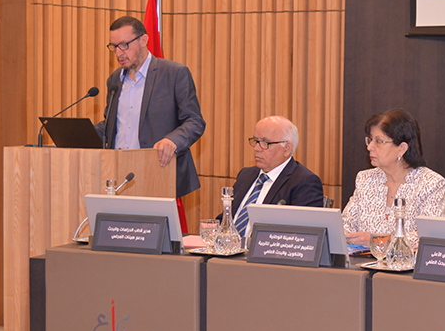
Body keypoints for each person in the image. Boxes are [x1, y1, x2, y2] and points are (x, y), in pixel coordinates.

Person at [95, 15, 205, 198]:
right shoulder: (115, 80)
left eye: (124, 45)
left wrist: (173, 141)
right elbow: (111, 126)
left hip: (158, 172)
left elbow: (195, 121)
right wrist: (73, 136)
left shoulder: (173, 74)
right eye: (114, 47)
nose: (119, 53)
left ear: (143, 40)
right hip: (118, 174)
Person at [342, 108, 445, 249]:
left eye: (379, 141)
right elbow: (345, 224)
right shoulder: (365, 179)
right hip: (364, 260)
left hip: (407, 262)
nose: (370, 147)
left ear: (401, 148)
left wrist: (378, 240)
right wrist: (349, 236)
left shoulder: (430, 183)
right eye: (370, 140)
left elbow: (430, 236)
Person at [223, 116, 325, 237]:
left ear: (287, 149)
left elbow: (302, 235)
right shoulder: (245, 175)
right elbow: (227, 219)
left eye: (265, 143)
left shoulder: (304, 182)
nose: (256, 148)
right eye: (256, 141)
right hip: (228, 246)